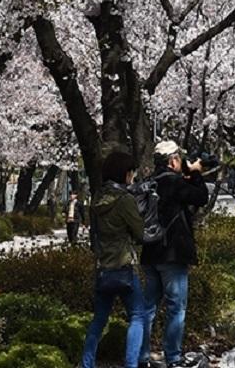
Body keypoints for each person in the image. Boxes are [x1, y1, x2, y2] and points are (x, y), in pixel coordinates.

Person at [80, 151, 153, 368]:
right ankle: (131, 364)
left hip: (103, 267)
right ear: (125, 173)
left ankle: (87, 364)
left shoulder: (97, 199)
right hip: (124, 267)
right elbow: (140, 233)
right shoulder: (125, 200)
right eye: (131, 172)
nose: (132, 176)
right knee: (138, 316)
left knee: (98, 320)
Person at [141, 141, 210, 368]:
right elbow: (201, 197)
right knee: (176, 307)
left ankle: (141, 356)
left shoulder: (150, 183)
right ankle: (173, 357)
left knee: (148, 308)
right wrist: (197, 174)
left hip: (150, 253)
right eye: (179, 159)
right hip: (172, 254)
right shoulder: (174, 182)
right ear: (173, 161)